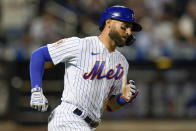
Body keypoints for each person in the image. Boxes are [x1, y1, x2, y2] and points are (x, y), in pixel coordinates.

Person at [29, 5, 142, 131]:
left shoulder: (122, 63)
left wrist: (122, 99)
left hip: (88, 125)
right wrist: (36, 90)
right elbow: (39, 55)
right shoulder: (81, 45)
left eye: (131, 29)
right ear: (108, 23)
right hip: (68, 118)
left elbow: (108, 106)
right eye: (124, 26)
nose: (128, 32)